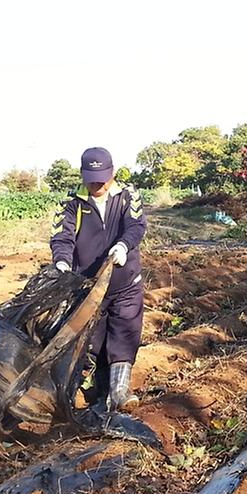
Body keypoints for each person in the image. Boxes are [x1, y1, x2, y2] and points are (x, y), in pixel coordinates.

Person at [50, 147, 147, 411]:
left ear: (112, 172)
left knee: (125, 331)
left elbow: (136, 226)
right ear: (82, 175)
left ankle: (119, 393)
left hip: (125, 281)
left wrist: (124, 246)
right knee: (95, 341)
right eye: (92, 178)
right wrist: (61, 262)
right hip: (90, 287)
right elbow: (62, 238)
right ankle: (97, 393)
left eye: (102, 177)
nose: (97, 184)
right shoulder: (70, 203)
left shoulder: (128, 196)